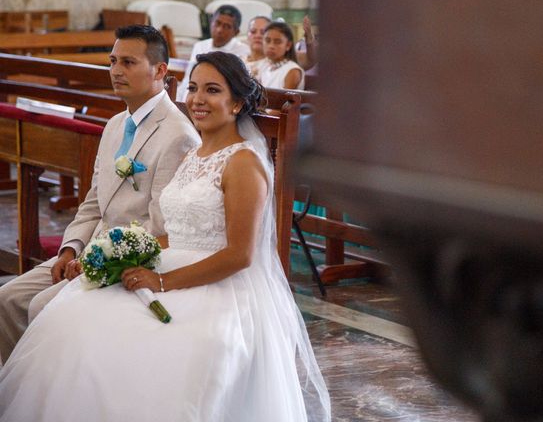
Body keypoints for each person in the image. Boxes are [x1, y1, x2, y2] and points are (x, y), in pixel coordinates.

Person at [0, 52, 331, 422]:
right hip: (172, 265)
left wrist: (161, 281)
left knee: (124, 343)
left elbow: (240, 255)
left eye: (212, 90)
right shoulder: (196, 155)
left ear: (236, 103)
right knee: (72, 320)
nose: (197, 99)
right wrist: (113, 254)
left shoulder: (243, 164)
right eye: (192, 88)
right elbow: (179, 235)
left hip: (219, 288)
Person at [0, 24, 200, 365]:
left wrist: (97, 261)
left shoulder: (177, 135)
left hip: (125, 261)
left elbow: (160, 227)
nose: (116, 71)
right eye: (112, 61)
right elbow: (93, 201)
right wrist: (69, 249)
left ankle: (57, 393)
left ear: (160, 71)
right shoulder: (115, 125)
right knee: (7, 297)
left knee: (41, 307)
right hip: (87, 249)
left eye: (128, 62)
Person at [176, 4, 250, 101]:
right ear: (211, 23)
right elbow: (188, 78)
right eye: (217, 23)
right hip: (189, 99)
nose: (219, 30)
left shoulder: (243, 51)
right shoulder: (200, 46)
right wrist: (178, 101)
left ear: (236, 32)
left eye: (227, 26)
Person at [259, 21, 305, 90]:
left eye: (277, 42)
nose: (271, 46)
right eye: (267, 40)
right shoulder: (264, 66)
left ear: (288, 45)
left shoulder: (292, 71)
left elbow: (283, 100)